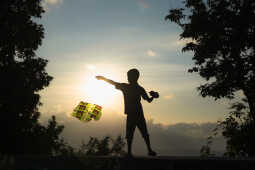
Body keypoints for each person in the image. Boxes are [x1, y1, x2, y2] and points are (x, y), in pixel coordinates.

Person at [96, 68, 158, 157]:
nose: (128, 78)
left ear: (134, 77)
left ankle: (132, 152)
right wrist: (153, 96)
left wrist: (103, 78)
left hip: (133, 113)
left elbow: (113, 82)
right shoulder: (139, 88)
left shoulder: (126, 87)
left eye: (129, 76)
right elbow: (149, 100)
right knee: (141, 132)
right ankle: (148, 150)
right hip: (138, 112)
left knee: (131, 133)